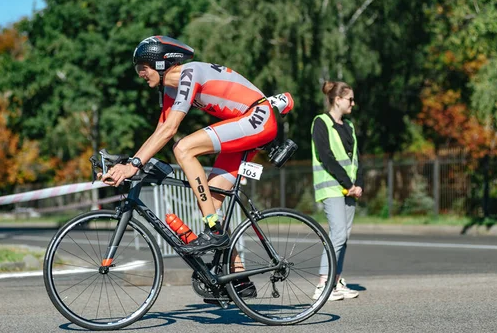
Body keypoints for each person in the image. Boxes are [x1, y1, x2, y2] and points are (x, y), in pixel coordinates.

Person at [100, 35, 293, 298]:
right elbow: (160, 130)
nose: (140, 74)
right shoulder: (170, 88)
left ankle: (213, 228)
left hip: (257, 117)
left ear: (161, 62)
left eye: (143, 67)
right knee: (209, 200)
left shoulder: (188, 73)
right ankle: (239, 280)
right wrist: (130, 161)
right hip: (246, 124)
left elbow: (171, 131)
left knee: (184, 147)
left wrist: (134, 165)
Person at [311, 81, 363, 301]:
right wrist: (347, 184)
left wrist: (358, 184)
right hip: (332, 187)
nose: (353, 103)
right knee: (338, 234)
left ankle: (336, 281)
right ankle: (323, 284)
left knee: (343, 237)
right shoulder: (320, 122)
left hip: (349, 190)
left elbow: (356, 159)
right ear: (338, 99)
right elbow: (326, 157)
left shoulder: (349, 126)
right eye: (350, 99)